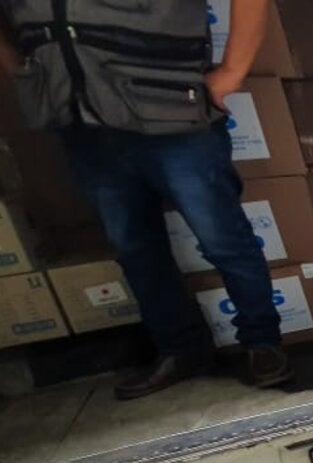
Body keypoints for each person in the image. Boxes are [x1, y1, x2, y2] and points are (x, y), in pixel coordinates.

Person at [0, 2, 289, 399]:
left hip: (169, 108)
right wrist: (18, 68)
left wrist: (232, 71)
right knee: (134, 249)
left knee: (222, 238)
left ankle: (262, 341)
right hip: (80, 118)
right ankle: (181, 350)